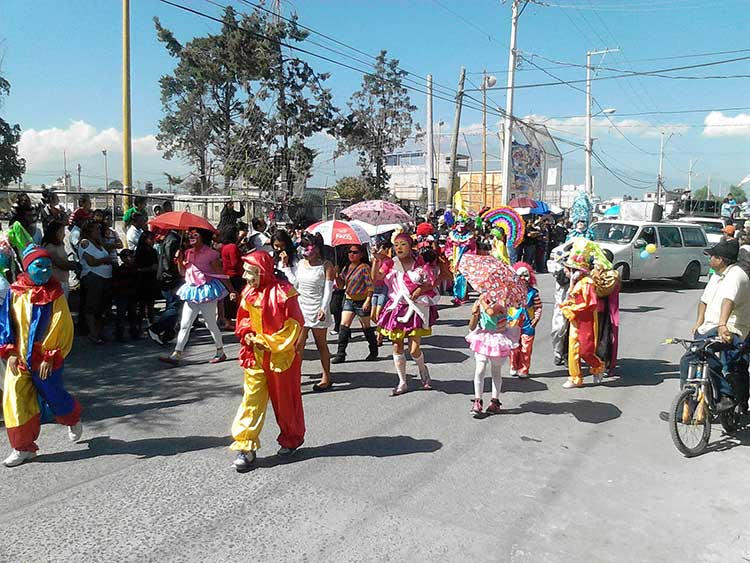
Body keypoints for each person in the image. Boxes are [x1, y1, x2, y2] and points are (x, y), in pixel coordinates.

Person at [0, 240, 82, 467]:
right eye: (39, 266)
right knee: (15, 400)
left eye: (48, 266)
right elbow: (5, 322)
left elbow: (61, 325)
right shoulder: (15, 291)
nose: (45, 271)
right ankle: (23, 448)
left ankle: (72, 419)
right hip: (18, 358)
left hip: (44, 358)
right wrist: (8, 351)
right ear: (27, 268)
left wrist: (49, 355)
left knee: (54, 396)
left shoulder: (54, 294)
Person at [230, 251, 305, 472]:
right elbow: (242, 319)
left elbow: (294, 326)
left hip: (280, 356)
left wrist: (267, 341)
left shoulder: (285, 293)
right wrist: (247, 334)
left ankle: (291, 438)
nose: (245, 277)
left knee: (285, 401)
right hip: (255, 355)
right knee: (251, 400)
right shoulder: (248, 293)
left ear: (262, 272)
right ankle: (246, 446)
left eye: (250, 272)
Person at [678, 239, 750, 412]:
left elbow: (728, 300)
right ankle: (683, 409)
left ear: (721, 259)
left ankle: (725, 395)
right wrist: (699, 322)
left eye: (712, 257)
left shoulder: (736, 274)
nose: (709, 260)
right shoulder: (717, 276)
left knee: (709, 356)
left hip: (732, 328)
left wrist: (723, 324)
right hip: (710, 327)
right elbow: (704, 300)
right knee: (689, 358)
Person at [159, 228, 235, 366]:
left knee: (210, 323)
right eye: (190, 235)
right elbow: (183, 273)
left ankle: (220, 351)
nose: (191, 237)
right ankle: (177, 353)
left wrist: (232, 291)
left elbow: (221, 273)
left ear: (203, 237)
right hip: (192, 291)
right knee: (185, 324)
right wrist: (179, 260)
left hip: (207, 292)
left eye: (195, 235)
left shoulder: (211, 254)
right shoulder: (187, 252)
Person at [378, 231, 438, 395]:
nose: (399, 248)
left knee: (413, 349)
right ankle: (402, 382)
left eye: (403, 244)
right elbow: (376, 278)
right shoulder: (389, 263)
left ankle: (422, 370)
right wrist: (378, 260)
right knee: (397, 346)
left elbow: (432, 282)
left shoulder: (420, 262)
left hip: (415, 308)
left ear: (411, 247)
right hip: (396, 307)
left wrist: (420, 289)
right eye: (396, 245)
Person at [559, 241, 605, 388]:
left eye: (568, 269)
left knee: (585, 350)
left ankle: (598, 365)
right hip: (575, 320)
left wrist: (571, 309)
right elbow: (572, 299)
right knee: (573, 349)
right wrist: (567, 305)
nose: (566, 272)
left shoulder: (587, 283)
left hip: (586, 321)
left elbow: (589, 304)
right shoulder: (576, 282)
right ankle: (575, 377)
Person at [466, 293, 518, 417]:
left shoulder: (502, 301)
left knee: (496, 371)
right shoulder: (483, 300)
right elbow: (471, 326)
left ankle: (495, 401)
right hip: (483, 337)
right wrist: (475, 313)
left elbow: (491, 313)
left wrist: (482, 301)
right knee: (480, 369)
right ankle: (477, 400)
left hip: (498, 339)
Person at [294, 232, 335, 391]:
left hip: (318, 308)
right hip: (301, 307)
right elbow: (295, 284)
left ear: (317, 249)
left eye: (307, 247)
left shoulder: (326, 265)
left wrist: (324, 308)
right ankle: (295, 376)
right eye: (302, 247)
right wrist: (284, 265)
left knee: (320, 344)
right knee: (298, 345)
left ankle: (326, 377)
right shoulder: (300, 264)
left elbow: (328, 290)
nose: (304, 251)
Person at [331, 244, 378, 364]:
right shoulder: (347, 267)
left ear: (361, 254)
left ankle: (373, 349)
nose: (351, 254)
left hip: (361, 300)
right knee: (343, 326)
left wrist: (368, 301)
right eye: (350, 252)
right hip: (349, 299)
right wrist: (336, 275)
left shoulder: (364, 267)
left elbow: (370, 286)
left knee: (366, 327)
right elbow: (341, 285)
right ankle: (341, 353)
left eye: (355, 252)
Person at [78, 221, 114, 344]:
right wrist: (105, 259)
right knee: (92, 306)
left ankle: (98, 332)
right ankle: (92, 333)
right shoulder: (85, 243)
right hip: (94, 277)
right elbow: (91, 262)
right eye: (95, 230)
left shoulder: (99, 244)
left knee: (103, 307)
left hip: (106, 277)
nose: (98, 231)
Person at [508, 263, 542, 378]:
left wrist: (536, 318)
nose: (523, 278)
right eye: (520, 276)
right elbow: (506, 305)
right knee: (514, 346)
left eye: (525, 275)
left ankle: (524, 369)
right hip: (514, 322)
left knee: (526, 348)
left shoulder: (533, 292)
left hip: (528, 323)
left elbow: (538, 307)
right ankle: (513, 366)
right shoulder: (511, 291)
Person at [42, 221, 77, 299]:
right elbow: (60, 264)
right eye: (61, 232)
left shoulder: (59, 244)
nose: (64, 234)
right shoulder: (50, 246)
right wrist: (75, 265)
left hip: (64, 281)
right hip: (56, 283)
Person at [370, 237, 393, 346]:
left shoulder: (388, 261)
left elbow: (378, 276)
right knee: (372, 316)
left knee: (379, 313)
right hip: (375, 288)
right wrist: (375, 261)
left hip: (385, 288)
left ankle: (379, 338)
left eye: (383, 248)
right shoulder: (374, 259)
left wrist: (376, 261)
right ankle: (386, 327)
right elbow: (372, 278)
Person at [135, 231, 159, 334]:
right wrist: (149, 268)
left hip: (152, 279)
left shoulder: (153, 251)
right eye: (150, 238)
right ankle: (139, 326)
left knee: (151, 304)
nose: (152, 241)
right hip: (142, 279)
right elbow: (138, 267)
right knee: (142, 305)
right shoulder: (140, 251)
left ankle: (151, 325)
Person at [112, 248, 139, 341]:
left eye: (132, 257)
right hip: (122, 295)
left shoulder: (135, 269)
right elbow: (116, 284)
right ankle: (119, 334)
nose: (130, 259)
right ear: (123, 259)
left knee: (133, 314)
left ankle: (134, 333)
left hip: (132, 294)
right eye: (128, 257)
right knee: (121, 315)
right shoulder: (120, 270)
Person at [221, 226, 244, 326]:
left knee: (228, 299)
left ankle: (227, 320)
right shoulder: (233, 247)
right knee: (236, 297)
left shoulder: (225, 247)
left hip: (227, 274)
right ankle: (232, 320)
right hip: (235, 274)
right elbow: (235, 262)